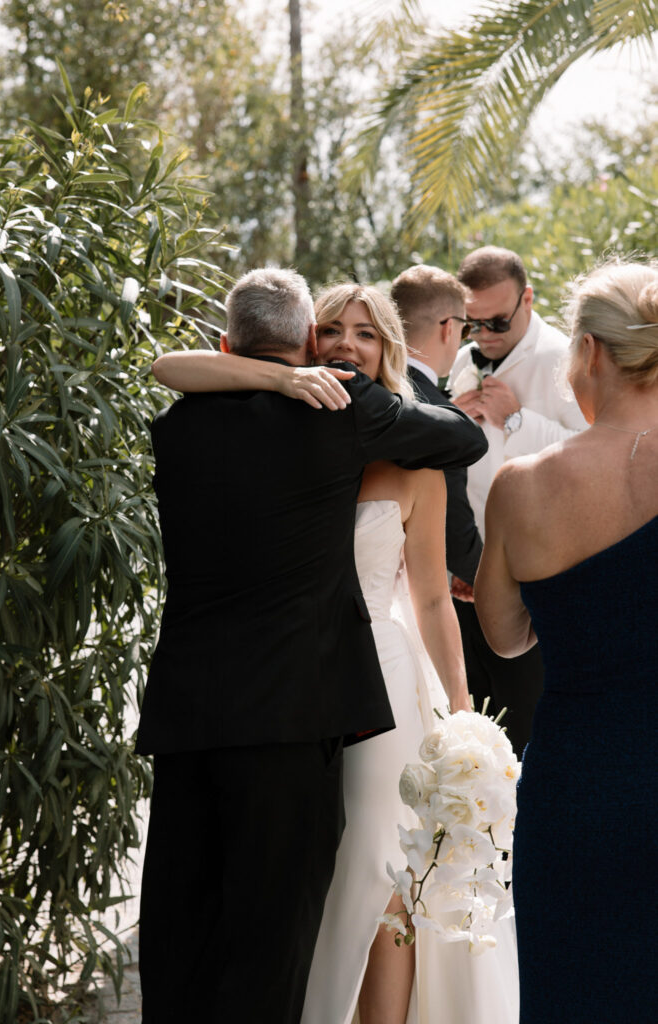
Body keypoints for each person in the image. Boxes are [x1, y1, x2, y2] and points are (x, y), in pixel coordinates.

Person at [152, 282, 518, 1024]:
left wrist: (456, 707)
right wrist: (294, 382)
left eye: (364, 334)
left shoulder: (183, 425)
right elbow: (464, 440)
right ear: (306, 342)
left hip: (215, 707)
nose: (347, 347)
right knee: (274, 935)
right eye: (330, 331)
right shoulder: (338, 420)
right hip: (299, 709)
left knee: (186, 930)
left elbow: (167, 365)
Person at [474, 258, 658, 1023]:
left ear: (585, 351)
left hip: (579, 785)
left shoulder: (522, 486)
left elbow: (505, 637)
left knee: (575, 989)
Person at [448, 246, 587, 757]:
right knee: (480, 730)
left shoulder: (565, 359)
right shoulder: (462, 360)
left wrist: (516, 420)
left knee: (527, 724)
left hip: (539, 576)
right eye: (471, 324)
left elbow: (592, 455)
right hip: (467, 576)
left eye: (497, 323)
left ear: (527, 298)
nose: (483, 336)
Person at [390, 264, 483, 590]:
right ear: (448, 328)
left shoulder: (366, 392)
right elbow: (456, 541)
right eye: (466, 328)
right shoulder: (441, 421)